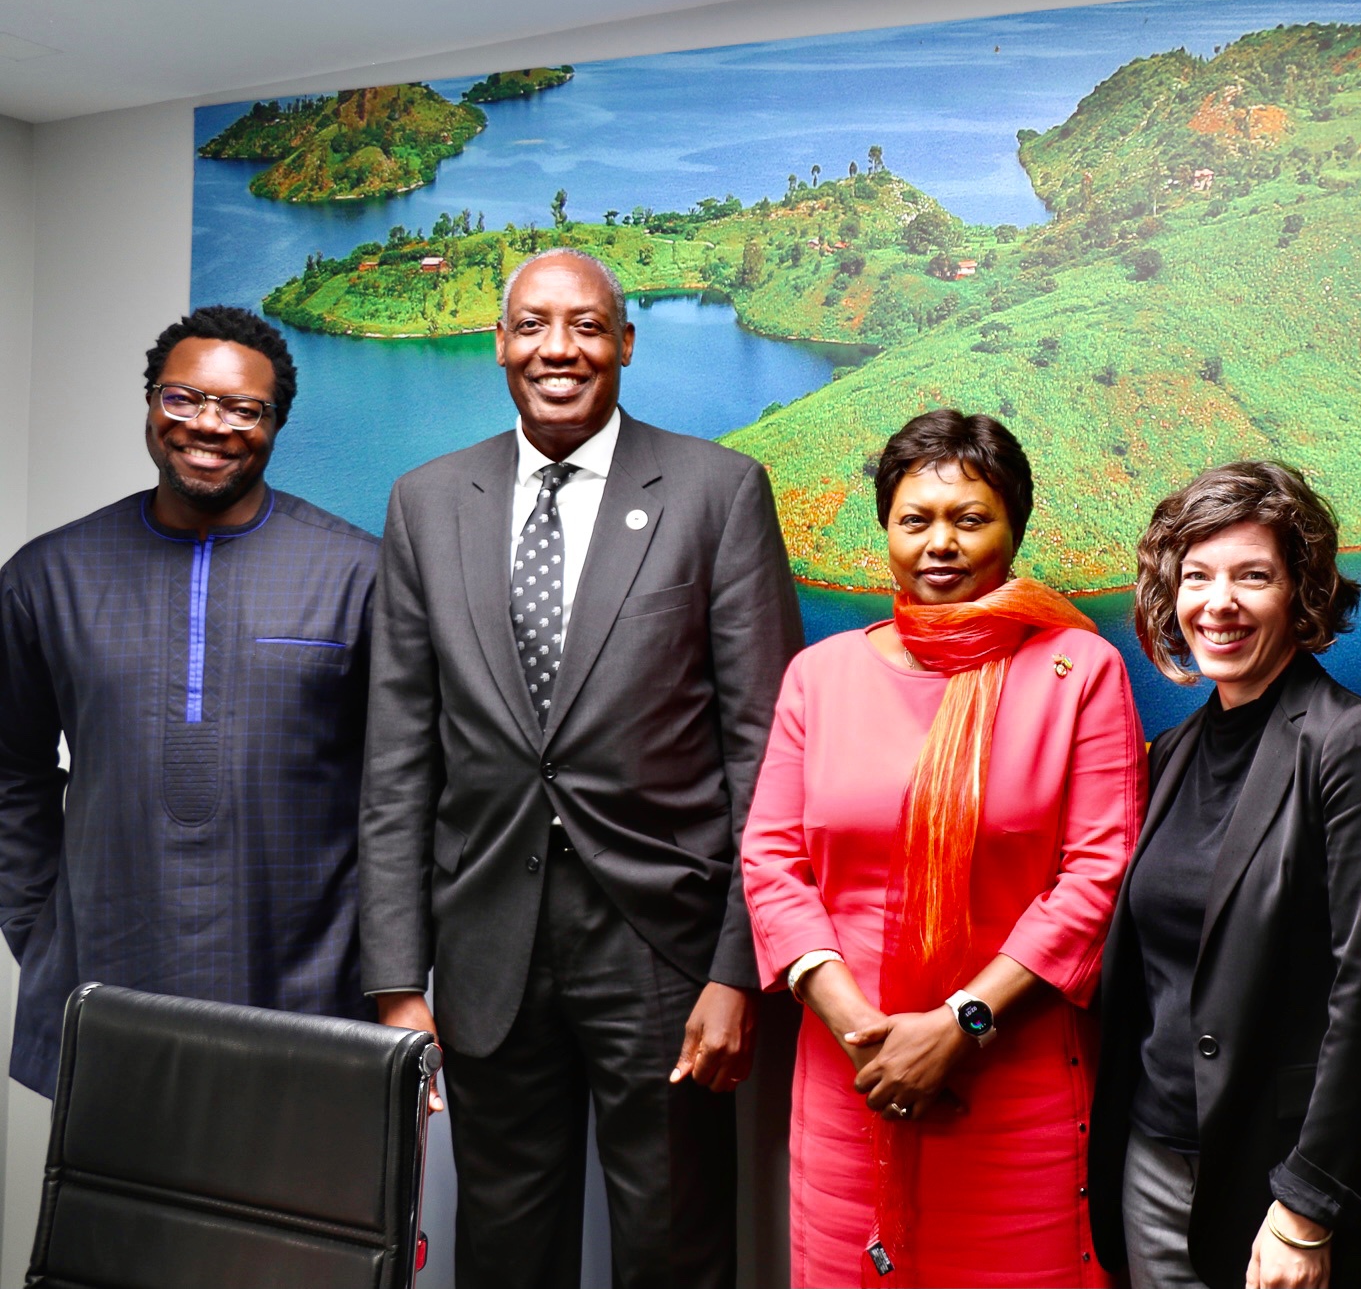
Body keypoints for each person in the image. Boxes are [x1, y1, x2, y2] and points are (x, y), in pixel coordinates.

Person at [357, 248, 802, 1289]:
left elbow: (766, 755)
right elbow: (397, 757)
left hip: (665, 950)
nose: (559, 348)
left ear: (625, 344)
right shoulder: (426, 501)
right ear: (500, 342)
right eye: (534, 325)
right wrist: (393, 981)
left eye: (586, 325)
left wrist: (738, 969)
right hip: (482, 949)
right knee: (504, 1244)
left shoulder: (716, 491)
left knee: (674, 1240)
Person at [742, 409, 1144, 1287]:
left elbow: (1097, 876)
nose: (941, 544)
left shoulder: (1080, 671)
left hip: (1016, 1082)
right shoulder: (823, 675)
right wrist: (865, 1035)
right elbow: (772, 862)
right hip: (852, 1072)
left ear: (1015, 528)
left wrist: (961, 1025)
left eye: (970, 518)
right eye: (915, 520)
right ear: (885, 528)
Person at [0, 305, 379, 1097]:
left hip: (308, 997)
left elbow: (408, 794)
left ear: (276, 424)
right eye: (184, 398)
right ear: (151, 403)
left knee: (293, 1220)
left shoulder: (359, 576)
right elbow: (11, 774)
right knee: (116, 1222)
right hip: (104, 994)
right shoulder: (46, 576)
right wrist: (41, 932)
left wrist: (383, 970)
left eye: (244, 408)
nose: (210, 425)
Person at [1087, 462, 1361, 1289]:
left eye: (1254, 575)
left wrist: (1306, 1204)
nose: (1220, 603)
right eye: (1196, 576)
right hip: (1153, 1158)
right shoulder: (1172, 754)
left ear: (1302, 594)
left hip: (1277, 1183)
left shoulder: (1354, 743)